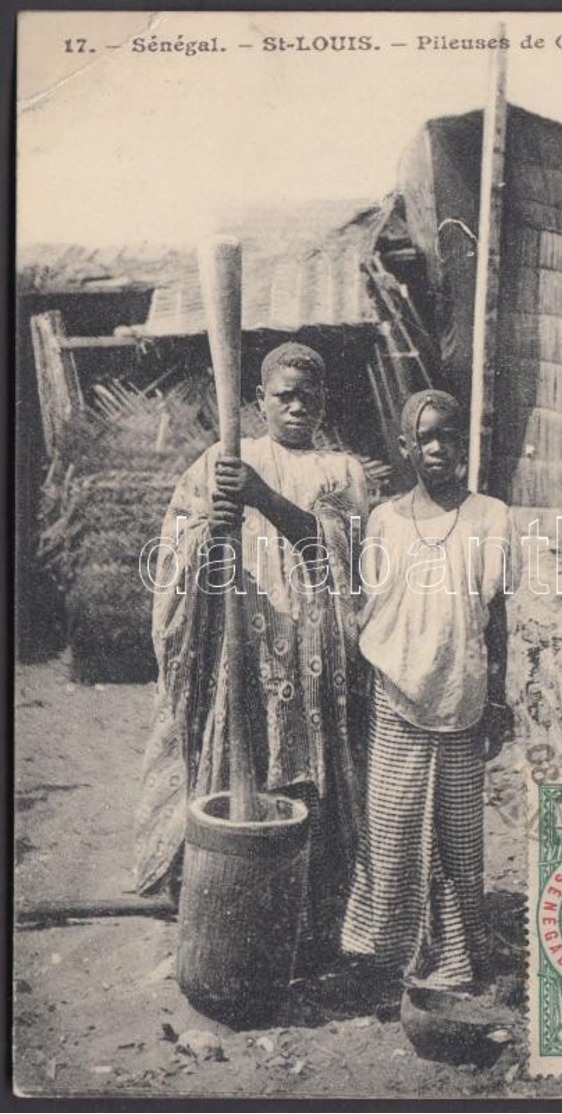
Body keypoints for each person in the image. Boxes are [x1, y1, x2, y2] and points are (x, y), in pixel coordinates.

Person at [135, 342, 368, 958]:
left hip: (313, 657)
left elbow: (340, 561)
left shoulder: (341, 470)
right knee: (238, 764)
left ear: (322, 401)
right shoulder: (221, 459)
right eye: (283, 394)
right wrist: (208, 530)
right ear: (259, 400)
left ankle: (312, 916)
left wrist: (263, 497)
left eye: (307, 395)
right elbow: (175, 548)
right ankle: (224, 902)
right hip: (240, 652)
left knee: (308, 778)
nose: (296, 405)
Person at [342, 389, 513, 990]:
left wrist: (498, 697)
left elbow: (498, 614)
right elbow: (371, 608)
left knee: (460, 834)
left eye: (449, 435)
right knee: (390, 825)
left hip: (461, 694)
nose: (438, 447)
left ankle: (457, 957)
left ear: (461, 441)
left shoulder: (491, 515)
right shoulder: (385, 519)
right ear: (406, 447)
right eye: (426, 438)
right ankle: (383, 954)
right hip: (393, 692)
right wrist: (364, 691)